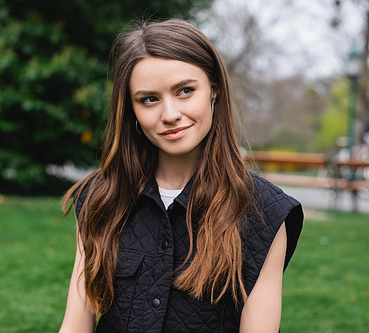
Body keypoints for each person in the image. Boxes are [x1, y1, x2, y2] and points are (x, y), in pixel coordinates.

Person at [58, 19, 303, 333]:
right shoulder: (101, 196)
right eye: (149, 99)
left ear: (214, 90)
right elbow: (76, 324)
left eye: (185, 91)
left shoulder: (264, 212)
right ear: (130, 108)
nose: (170, 114)